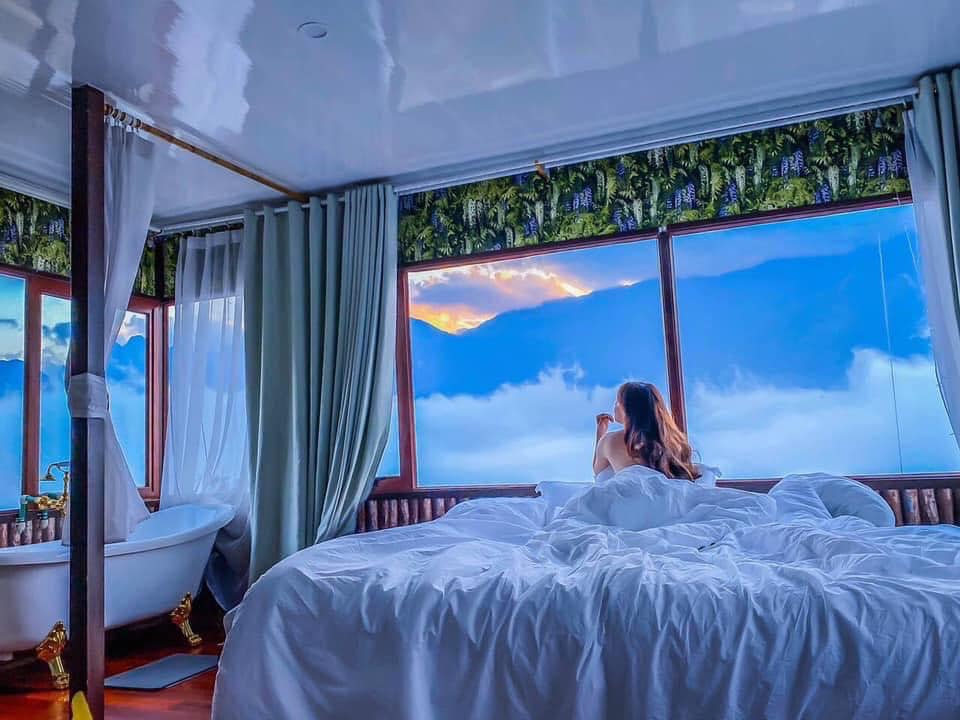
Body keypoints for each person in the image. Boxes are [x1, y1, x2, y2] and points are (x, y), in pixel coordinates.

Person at [593, 381, 700, 481]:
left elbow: (599, 471)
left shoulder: (610, 440)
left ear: (628, 409)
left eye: (618, 402)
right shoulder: (672, 442)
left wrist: (601, 433)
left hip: (633, 494)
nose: (615, 405)